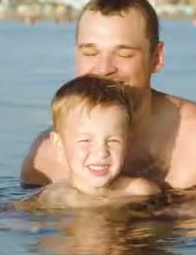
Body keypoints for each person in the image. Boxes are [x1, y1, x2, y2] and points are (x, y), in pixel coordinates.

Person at [20, 0, 196, 189]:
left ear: (156, 58)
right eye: (90, 53)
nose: (103, 69)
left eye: (124, 54)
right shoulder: (47, 158)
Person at [27, 75, 160, 210]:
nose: (101, 152)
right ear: (59, 143)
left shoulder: (141, 191)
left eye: (113, 140)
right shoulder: (55, 197)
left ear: (127, 142)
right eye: (85, 140)